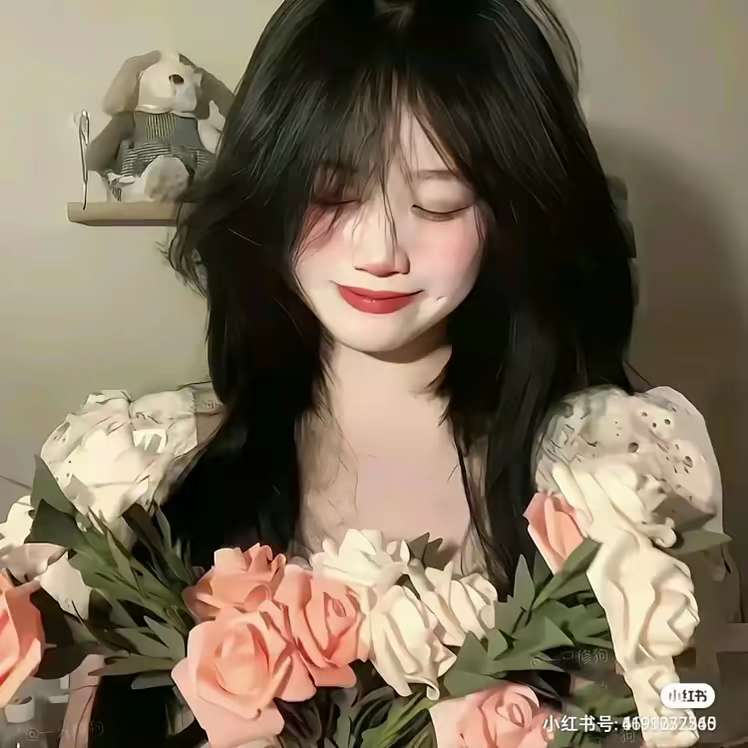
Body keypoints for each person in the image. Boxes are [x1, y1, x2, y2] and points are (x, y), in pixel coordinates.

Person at [1, 1, 742, 746]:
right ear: (269, 194)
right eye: (333, 194)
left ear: (511, 212)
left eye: (439, 203)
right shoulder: (136, 476)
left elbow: (686, 714)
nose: (381, 251)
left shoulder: (616, 479)